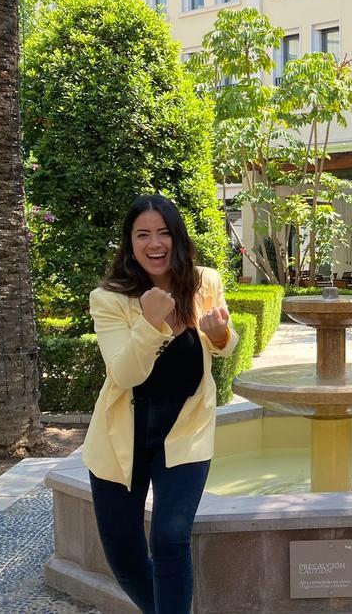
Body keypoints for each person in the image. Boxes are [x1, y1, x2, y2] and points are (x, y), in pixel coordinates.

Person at [82, 193, 238, 614]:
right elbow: (124, 374)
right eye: (143, 234)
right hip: (121, 441)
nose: (155, 244)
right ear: (130, 243)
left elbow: (225, 343)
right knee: (125, 557)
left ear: (177, 237)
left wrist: (220, 333)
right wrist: (151, 322)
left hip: (184, 433)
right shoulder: (110, 299)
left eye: (163, 233)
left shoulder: (204, 282)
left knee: (170, 537)